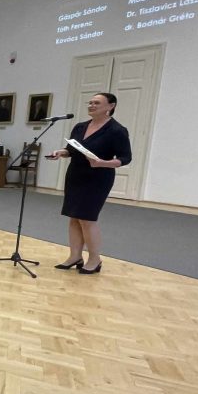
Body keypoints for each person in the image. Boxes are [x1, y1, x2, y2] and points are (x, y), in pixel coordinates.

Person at [47, 92, 131, 275]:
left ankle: (95, 259)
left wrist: (102, 163)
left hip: (98, 178)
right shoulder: (80, 127)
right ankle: (75, 256)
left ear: (110, 106)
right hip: (76, 175)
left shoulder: (117, 130)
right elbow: (71, 150)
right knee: (74, 217)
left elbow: (125, 158)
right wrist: (61, 153)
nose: (91, 105)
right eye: (90, 102)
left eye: (97, 103)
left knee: (87, 219)